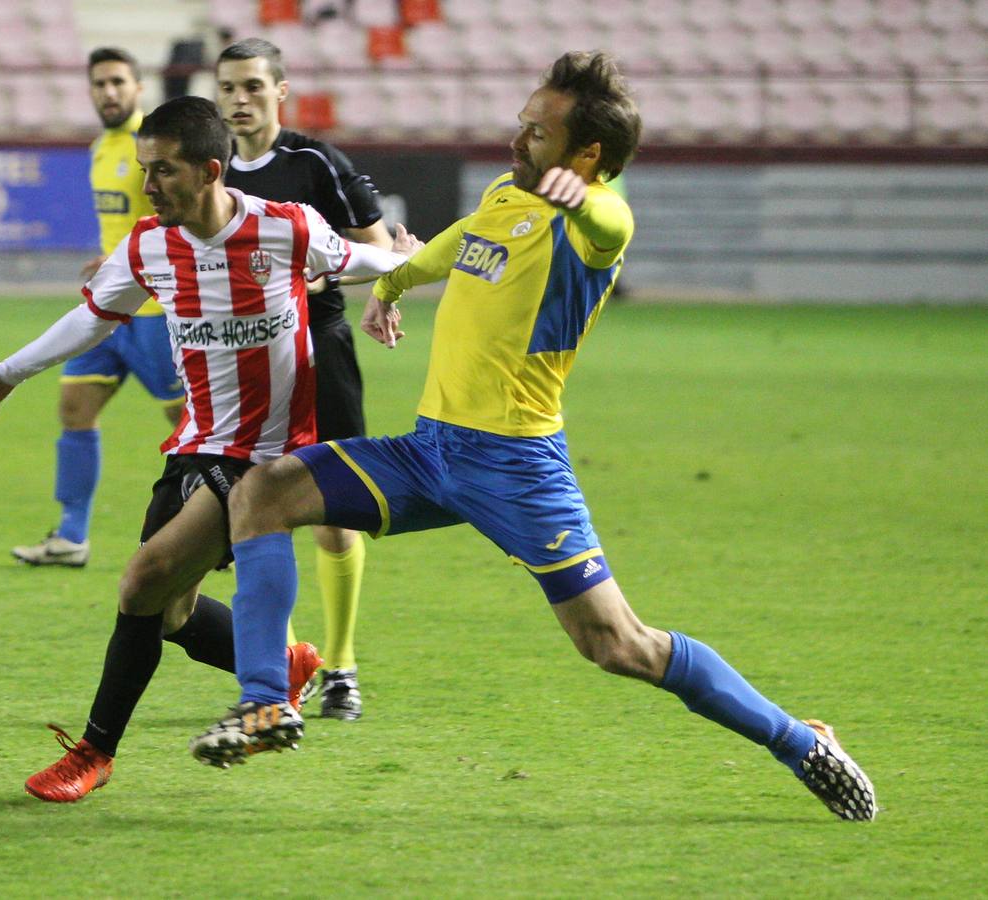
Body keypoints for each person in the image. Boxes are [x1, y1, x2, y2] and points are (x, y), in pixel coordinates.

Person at [187, 52, 877, 823]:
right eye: (521, 122)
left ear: (585, 155)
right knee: (266, 491)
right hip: (428, 450)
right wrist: (390, 282)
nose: (516, 139)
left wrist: (581, 199)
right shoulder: (503, 195)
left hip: (514, 465)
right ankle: (263, 702)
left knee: (617, 646)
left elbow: (610, 221)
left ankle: (800, 740)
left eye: (537, 132)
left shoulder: (595, 227)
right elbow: (458, 243)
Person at [0, 96, 420, 802]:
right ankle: (280, 662)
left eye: (162, 171)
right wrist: (5, 374)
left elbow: (358, 258)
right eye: (144, 169)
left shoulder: (284, 229)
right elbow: (90, 319)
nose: (148, 186)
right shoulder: (148, 246)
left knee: (140, 582)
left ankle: (94, 751)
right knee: (169, 613)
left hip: (265, 460)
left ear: (208, 171)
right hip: (194, 447)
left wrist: (407, 267)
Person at [217, 37, 390, 719]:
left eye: (253, 87)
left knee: (331, 518)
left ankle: (342, 665)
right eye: (228, 87)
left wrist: (326, 274)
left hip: (319, 350)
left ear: (280, 92)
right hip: (243, 361)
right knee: (257, 513)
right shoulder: (210, 168)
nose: (239, 100)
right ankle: (291, 666)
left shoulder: (315, 162)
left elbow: (378, 250)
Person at [11, 47, 186, 569]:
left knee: (189, 424)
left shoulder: (154, 148)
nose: (108, 92)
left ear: (138, 88)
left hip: (157, 312)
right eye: (99, 84)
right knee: (75, 408)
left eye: (118, 82)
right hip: (111, 311)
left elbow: (178, 217)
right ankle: (70, 537)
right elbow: (124, 226)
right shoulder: (100, 148)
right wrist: (111, 260)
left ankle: (220, 522)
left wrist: (131, 258)